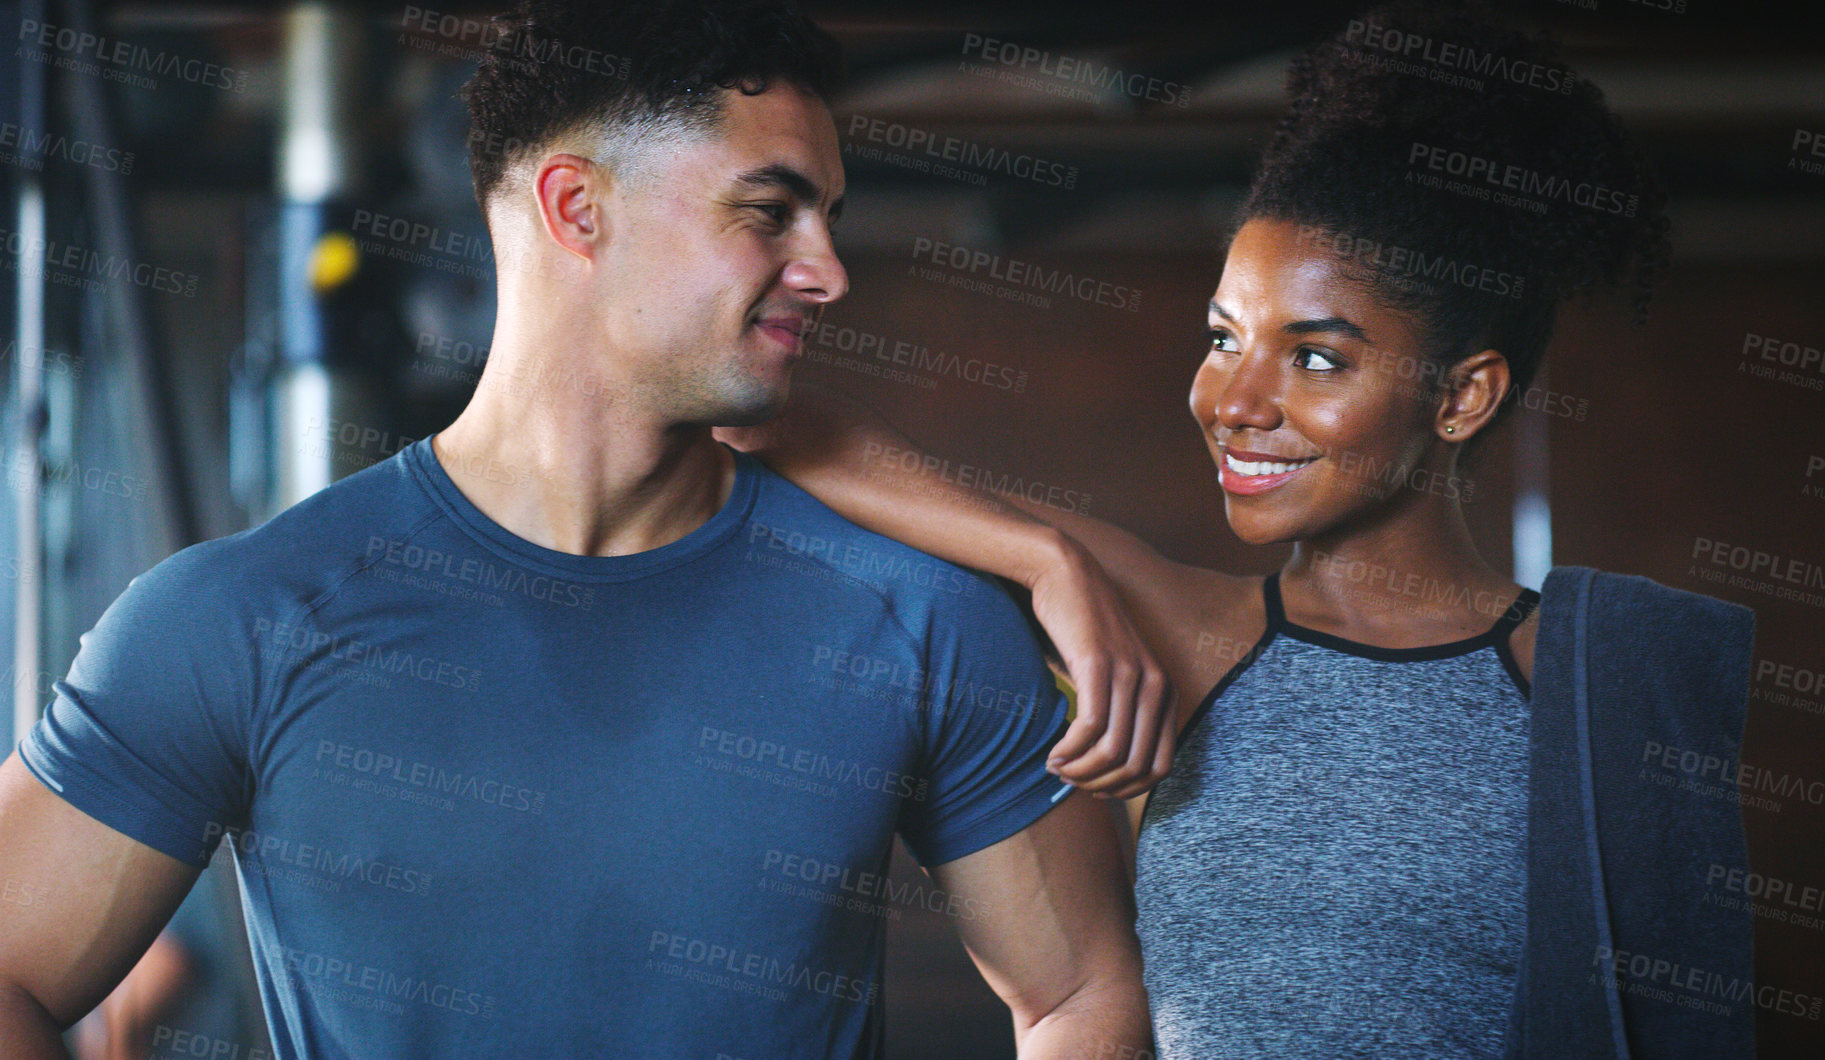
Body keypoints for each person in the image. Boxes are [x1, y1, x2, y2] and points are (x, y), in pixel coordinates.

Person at [0, 2, 1157, 1058]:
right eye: (770, 212)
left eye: (829, 218)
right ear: (576, 208)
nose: (829, 271)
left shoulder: (918, 614)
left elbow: (1080, 996)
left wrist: (1037, 552)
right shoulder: (237, 619)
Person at [718, 3, 1756, 1056]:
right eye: (1223, 338)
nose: (1233, 399)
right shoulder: (1182, 631)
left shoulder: (1592, 679)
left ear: (1462, 396)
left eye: (1313, 357)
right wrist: (1047, 560)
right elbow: (771, 426)